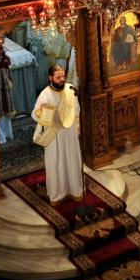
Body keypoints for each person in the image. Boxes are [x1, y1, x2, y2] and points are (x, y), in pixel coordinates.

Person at [32, 65, 84, 205]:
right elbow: (36, 114)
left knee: (72, 160)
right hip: (54, 136)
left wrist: (76, 126)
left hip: (70, 134)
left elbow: (77, 110)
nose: (62, 79)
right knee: (56, 163)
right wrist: (50, 114)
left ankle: (75, 190)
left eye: (63, 76)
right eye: (58, 77)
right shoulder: (45, 94)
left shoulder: (70, 89)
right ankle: (57, 194)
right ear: (50, 78)